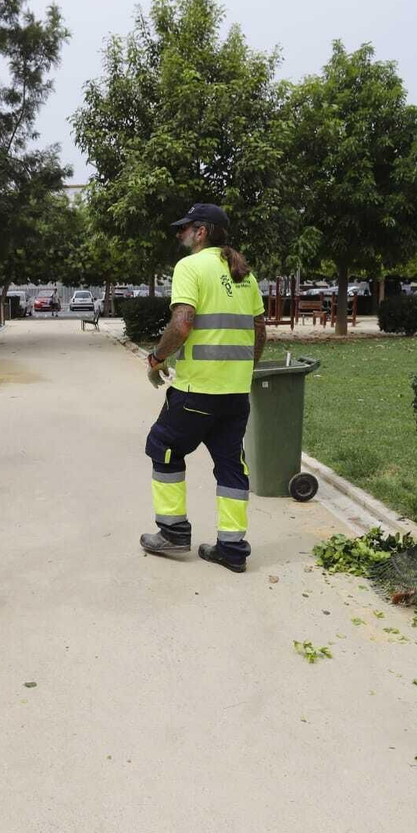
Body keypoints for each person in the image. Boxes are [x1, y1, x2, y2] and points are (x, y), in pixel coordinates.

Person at [139, 204, 266, 574]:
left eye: (186, 228)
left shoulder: (190, 268)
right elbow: (259, 331)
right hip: (235, 393)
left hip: (197, 390)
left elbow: (182, 324)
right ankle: (232, 547)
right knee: (230, 464)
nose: (180, 233)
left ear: (202, 232)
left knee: (162, 447)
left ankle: (174, 532)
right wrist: (245, 369)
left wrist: (156, 359)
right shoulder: (246, 275)